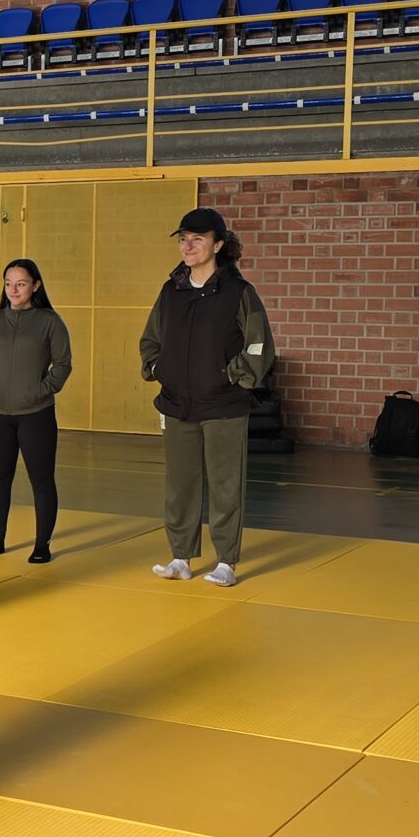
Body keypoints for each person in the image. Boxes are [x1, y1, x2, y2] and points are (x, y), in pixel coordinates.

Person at [139, 207, 273, 587]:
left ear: (218, 244)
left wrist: (231, 376)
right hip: (177, 404)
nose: (187, 246)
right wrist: (158, 368)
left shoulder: (239, 293)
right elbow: (151, 339)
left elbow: (259, 346)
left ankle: (226, 562)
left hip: (224, 406)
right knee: (180, 486)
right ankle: (180, 557)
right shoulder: (171, 291)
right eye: (183, 239)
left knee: (226, 486)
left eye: (197, 239)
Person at [0, 259, 73, 563]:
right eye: (8, 284)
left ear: (35, 286)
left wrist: (40, 391)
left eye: (21, 284)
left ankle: (42, 544)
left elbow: (63, 364)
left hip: (36, 415)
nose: (13, 290)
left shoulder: (50, 321)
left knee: (41, 480)